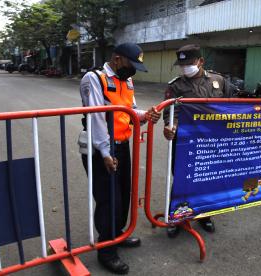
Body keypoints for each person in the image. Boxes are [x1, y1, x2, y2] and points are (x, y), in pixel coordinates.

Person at [79, 43, 161, 274]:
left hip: (122, 145)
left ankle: (118, 235)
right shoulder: (94, 78)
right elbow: (95, 117)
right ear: (117, 59)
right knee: (109, 200)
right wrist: (105, 152)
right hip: (100, 148)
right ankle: (106, 250)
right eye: (130, 64)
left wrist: (145, 115)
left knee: (124, 195)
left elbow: (129, 110)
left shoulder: (127, 80)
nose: (133, 70)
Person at [163, 44, 236, 238]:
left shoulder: (219, 81)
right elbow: (171, 113)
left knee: (209, 179)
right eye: (181, 64)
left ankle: (205, 215)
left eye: (189, 63)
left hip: (213, 142)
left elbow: (231, 106)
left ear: (200, 62)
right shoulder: (176, 85)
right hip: (186, 143)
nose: (185, 68)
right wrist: (171, 126)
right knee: (181, 180)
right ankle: (177, 218)